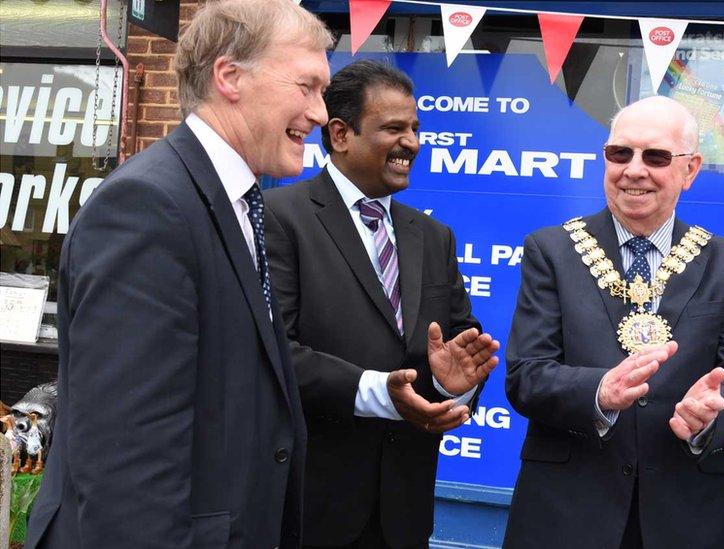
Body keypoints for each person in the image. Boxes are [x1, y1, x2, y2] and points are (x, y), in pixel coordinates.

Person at [25, 1, 333, 547]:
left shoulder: (234, 201)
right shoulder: (149, 206)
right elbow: (127, 466)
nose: (320, 113)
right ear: (230, 76)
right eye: (306, 86)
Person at [503, 95, 724, 548]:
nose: (634, 169)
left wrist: (712, 415)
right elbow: (526, 375)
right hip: (567, 513)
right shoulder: (552, 251)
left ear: (690, 169)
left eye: (657, 156)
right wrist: (598, 392)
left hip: (685, 517)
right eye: (620, 153)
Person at [263, 59, 499, 549]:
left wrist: (448, 386)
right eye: (394, 128)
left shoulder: (433, 236)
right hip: (307, 510)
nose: (411, 142)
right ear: (341, 134)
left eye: (415, 128)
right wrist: (381, 393)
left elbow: (459, 347)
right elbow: (273, 353)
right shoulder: (280, 218)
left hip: (403, 514)